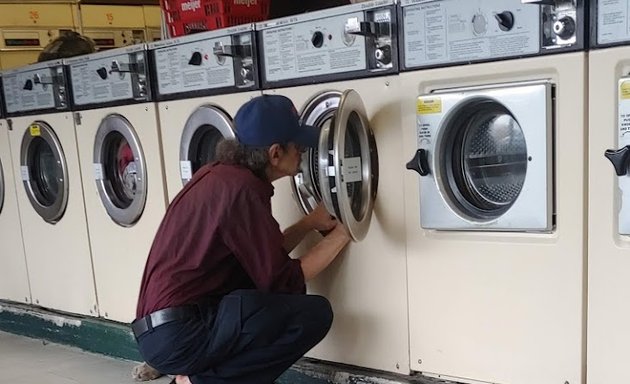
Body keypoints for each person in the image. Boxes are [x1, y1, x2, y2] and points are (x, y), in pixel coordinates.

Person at [133, 95, 352, 384]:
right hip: (181, 334)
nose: (302, 152)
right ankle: (197, 381)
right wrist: (348, 230)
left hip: (162, 331)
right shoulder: (243, 191)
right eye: (297, 146)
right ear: (275, 154)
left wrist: (309, 224)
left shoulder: (220, 176)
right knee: (312, 315)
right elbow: (283, 280)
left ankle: (192, 372)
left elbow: (262, 259)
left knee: (254, 293)